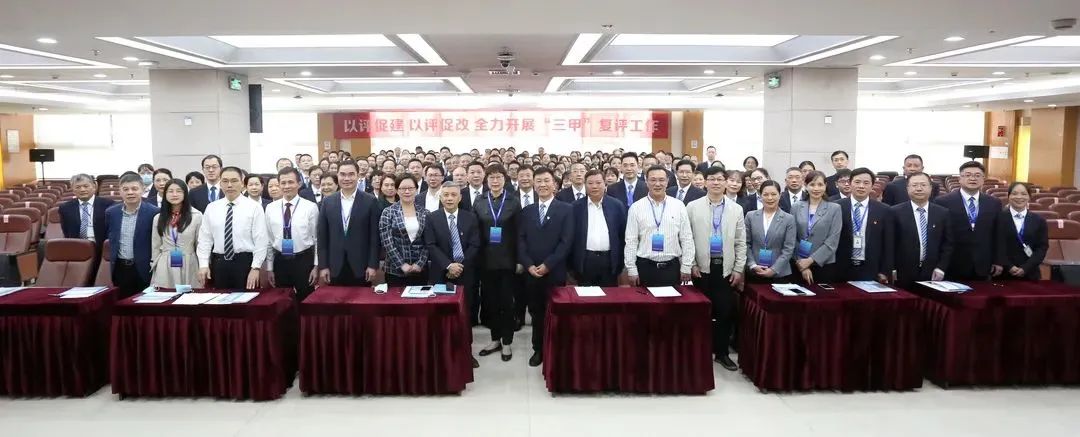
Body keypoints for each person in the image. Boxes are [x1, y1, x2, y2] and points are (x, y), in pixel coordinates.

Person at [686, 166, 746, 371]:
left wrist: (738, 269)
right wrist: (691, 263)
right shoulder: (692, 207)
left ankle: (721, 353)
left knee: (724, 312)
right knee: (699, 312)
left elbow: (740, 241)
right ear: (705, 182)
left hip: (725, 268)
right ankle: (699, 352)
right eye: (711, 179)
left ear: (726, 182)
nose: (716, 182)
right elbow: (687, 238)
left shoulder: (736, 209)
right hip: (700, 268)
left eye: (720, 179)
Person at [518, 166, 574, 367]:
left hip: (555, 271)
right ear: (534, 185)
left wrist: (548, 265)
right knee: (536, 312)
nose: (542, 185)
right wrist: (528, 265)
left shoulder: (566, 209)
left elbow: (566, 242)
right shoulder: (527, 211)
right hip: (532, 272)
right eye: (538, 181)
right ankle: (538, 349)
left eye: (546, 181)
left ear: (555, 185)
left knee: (556, 311)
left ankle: (556, 348)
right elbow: (520, 240)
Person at [474, 164, 521, 361]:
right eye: (491, 177)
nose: (495, 181)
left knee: (506, 303)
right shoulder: (479, 201)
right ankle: (495, 339)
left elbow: (519, 233)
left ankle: (507, 342)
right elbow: (475, 232)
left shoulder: (513, 201)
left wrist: (520, 260)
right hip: (486, 261)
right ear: (487, 180)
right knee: (491, 303)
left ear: (504, 179)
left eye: (498, 177)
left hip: (508, 261)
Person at [196, 166, 269, 290]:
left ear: (242, 183)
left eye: (234, 181)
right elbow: (205, 239)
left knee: (247, 300)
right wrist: (203, 264)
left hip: (245, 263)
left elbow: (261, 240)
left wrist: (255, 268)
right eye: (225, 181)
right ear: (220, 184)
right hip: (219, 263)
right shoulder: (212, 208)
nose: (229, 185)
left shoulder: (254, 207)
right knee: (220, 300)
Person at [624, 165, 695, 287]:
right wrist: (631, 268)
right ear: (646, 181)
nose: (657, 184)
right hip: (645, 267)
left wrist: (686, 265)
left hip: (672, 268)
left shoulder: (678, 206)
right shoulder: (636, 208)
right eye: (653, 180)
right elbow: (631, 240)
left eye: (661, 180)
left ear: (667, 181)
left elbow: (686, 238)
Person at [934, 161, 1002, 281]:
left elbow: (998, 234)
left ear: (983, 179)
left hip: (983, 264)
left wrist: (998, 260)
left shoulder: (994, 203)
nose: (972, 178)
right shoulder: (942, 202)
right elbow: (938, 236)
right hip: (952, 263)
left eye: (977, 175)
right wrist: (939, 264)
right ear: (960, 179)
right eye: (968, 175)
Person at [317, 160, 381, 286]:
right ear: (337, 176)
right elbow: (322, 237)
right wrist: (323, 266)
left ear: (358, 175)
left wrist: (373, 265)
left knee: (361, 298)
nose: (347, 178)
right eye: (342, 174)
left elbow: (375, 237)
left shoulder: (370, 201)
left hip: (361, 265)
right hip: (334, 265)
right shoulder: (328, 202)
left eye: (351, 174)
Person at [265, 167, 319, 300]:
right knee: (281, 301)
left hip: (303, 259)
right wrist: (270, 268)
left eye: (290, 182)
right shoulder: (270, 208)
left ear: (299, 184)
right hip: (280, 260)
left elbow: (317, 239)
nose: (286, 186)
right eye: (283, 183)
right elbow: (269, 240)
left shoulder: (310, 207)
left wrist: (316, 266)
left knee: (306, 299)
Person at [891, 172, 952, 285]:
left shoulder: (943, 213)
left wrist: (941, 267)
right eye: (914, 185)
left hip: (933, 273)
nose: (919, 188)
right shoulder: (894, 212)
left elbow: (948, 244)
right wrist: (892, 268)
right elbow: (889, 243)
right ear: (907, 188)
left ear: (931, 188)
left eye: (923, 185)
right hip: (902, 273)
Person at [570, 169, 627, 287]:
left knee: (609, 296)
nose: (594, 186)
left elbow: (622, 235)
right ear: (585, 185)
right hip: (585, 261)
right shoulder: (575, 207)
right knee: (586, 296)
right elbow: (570, 237)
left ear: (605, 184)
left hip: (609, 260)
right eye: (590, 183)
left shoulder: (616, 205)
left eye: (598, 183)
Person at [105, 173, 159, 298]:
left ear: (143, 190)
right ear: (120, 191)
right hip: (120, 268)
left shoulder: (154, 212)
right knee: (122, 304)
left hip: (145, 269)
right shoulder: (111, 212)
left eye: (134, 189)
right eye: (126, 189)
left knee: (145, 304)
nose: (130, 192)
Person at [836, 168, 894, 282]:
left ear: (872, 186)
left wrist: (885, 270)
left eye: (866, 183)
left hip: (871, 268)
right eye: (857, 182)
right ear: (850, 183)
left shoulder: (884, 210)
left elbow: (888, 243)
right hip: (840, 267)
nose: (861, 186)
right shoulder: (837, 207)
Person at [790, 171, 843, 284]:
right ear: (805, 185)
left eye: (820, 185)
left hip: (824, 264)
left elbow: (833, 240)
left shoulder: (835, 208)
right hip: (799, 264)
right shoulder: (796, 207)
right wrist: (802, 264)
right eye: (812, 184)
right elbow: (792, 237)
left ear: (825, 186)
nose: (816, 188)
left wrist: (810, 260)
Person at [150, 179, 203, 288]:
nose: (174, 194)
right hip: (165, 263)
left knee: (189, 295)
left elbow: (200, 244)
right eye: (170, 191)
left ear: (185, 194)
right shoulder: (158, 218)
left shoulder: (196, 216)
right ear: (165, 194)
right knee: (165, 294)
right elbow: (155, 245)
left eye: (179, 191)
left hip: (189, 261)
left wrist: (203, 265)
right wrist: (154, 265)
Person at [379, 175, 429, 286]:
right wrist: (401, 264)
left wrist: (420, 263)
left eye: (410, 188)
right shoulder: (388, 212)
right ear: (397, 190)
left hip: (419, 270)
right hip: (395, 270)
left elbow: (428, 242)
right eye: (403, 188)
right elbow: (387, 242)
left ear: (416, 189)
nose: (407, 191)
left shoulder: (425, 213)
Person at [745, 181, 797, 283]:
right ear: (760, 196)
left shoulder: (788, 219)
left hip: (780, 274)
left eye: (773, 194)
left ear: (780, 195)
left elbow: (789, 248)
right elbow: (745, 243)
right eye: (766, 194)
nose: (770, 198)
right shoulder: (750, 216)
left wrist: (774, 269)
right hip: (755, 272)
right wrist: (752, 264)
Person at [995, 182, 1049, 281]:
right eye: (1014, 193)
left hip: (1030, 273)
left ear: (1029, 197)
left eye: (1024, 194)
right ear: (1008, 196)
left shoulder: (1039, 220)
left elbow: (1042, 248)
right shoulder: (998, 218)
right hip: (1003, 273)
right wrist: (1009, 266)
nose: (1019, 197)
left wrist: (1026, 268)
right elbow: (995, 245)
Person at [60, 173, 116, 251]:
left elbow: (113, 229)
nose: (82, 190)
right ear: (73, 190)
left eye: (86, 186)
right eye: (78, 187)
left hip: (102, 248)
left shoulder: (108, 205)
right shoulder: (65, 208)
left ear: (94, 187)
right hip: (77, 248)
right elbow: (66, 231)